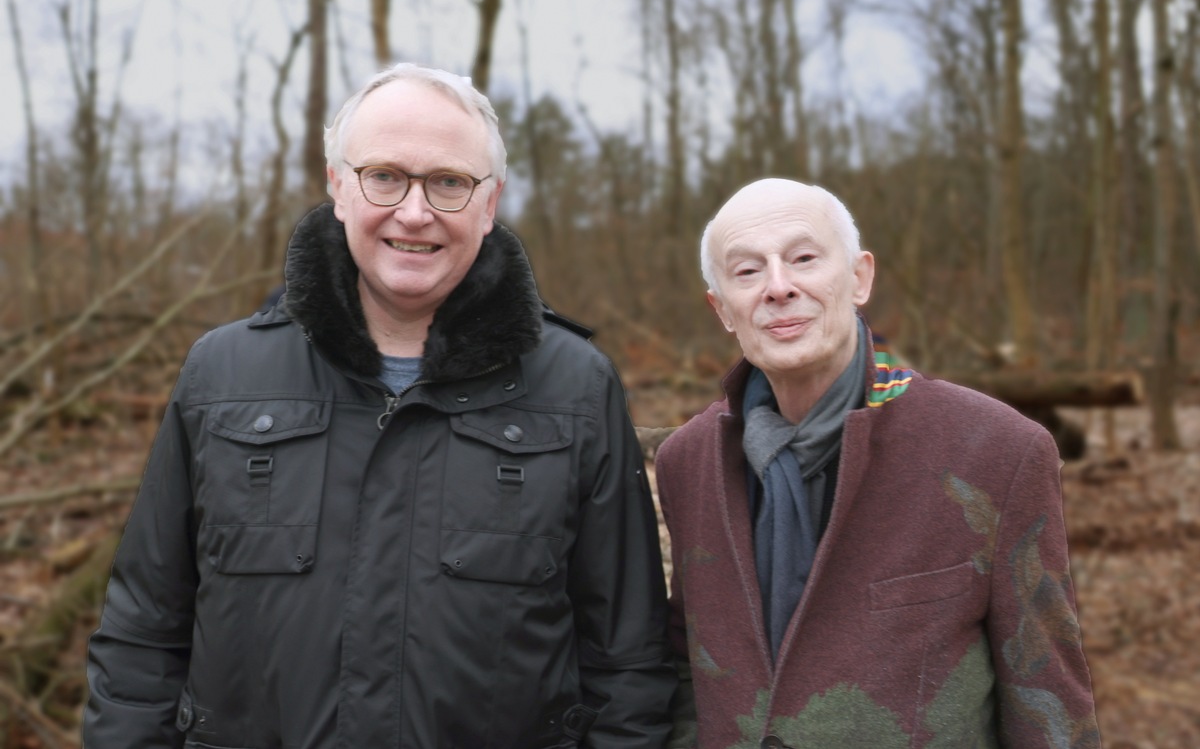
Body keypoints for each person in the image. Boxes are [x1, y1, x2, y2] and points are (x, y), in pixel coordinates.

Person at [83, 63, 676, 748]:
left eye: (449, 182)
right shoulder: (223, 373)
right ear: (339, 185)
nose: (415, 212)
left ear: (490, 204)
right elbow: (141, 635)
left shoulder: (575, 389)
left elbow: (628, 665)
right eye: (385, 176)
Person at [655, 179, 1099, 749]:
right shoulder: (689, 462)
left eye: (804, 259)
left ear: (860, 277)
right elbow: (689, 670)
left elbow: (1049, 704)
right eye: (747, 272)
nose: (779, 287)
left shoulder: (996, 451)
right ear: (721, 309)